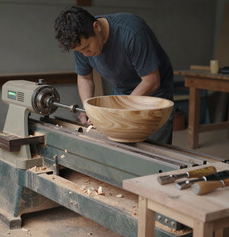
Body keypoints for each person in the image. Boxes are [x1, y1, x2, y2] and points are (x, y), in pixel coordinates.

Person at [54, 6, 174, 144]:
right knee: (120, 147)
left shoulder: (132, 32)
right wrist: (88, 110)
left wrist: (120, 111)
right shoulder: (80, 42)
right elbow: (84, 77)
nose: (85, 54)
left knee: (155, 154)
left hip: (153, 96)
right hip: (122, 93)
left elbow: (151, 81)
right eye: (80, 51)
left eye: (87, 47)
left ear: (96, 27)